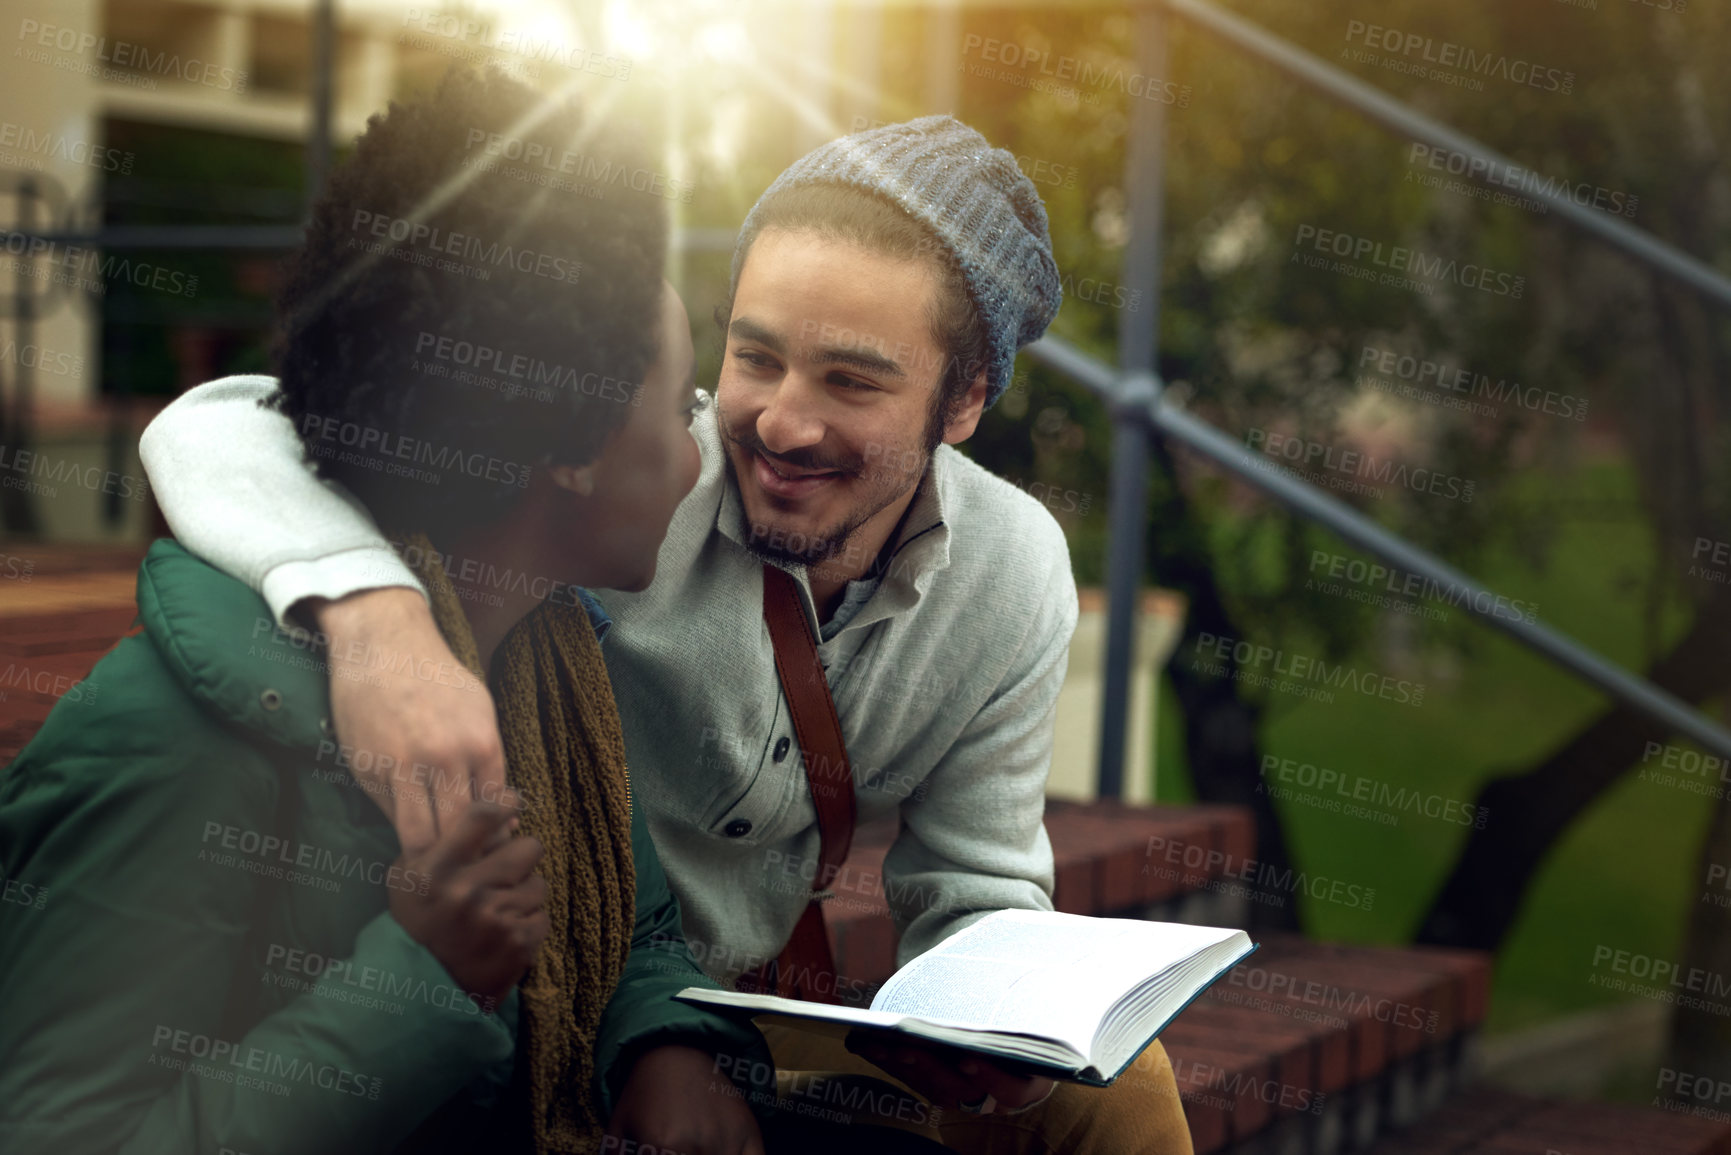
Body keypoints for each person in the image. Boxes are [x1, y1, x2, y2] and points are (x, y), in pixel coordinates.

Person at [139, 116, 1194, 1152]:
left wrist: (990, 1022)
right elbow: (218, 423)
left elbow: (977, 889)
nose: (781, 422)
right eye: (756, 355)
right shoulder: (629, 475)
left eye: (852, 380)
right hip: (551, 989)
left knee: (1109, 1086)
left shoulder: (1016, 573)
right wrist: (377, 616)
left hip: (758, 1023)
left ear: (962, 400)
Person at [0, 69, 948, 1155]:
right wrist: (419, 981)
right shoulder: (188, 750)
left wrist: (662, 1043)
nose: (705, 456)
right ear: (575, 456)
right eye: (680, 406)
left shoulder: (553, 659)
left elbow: (632, 918)